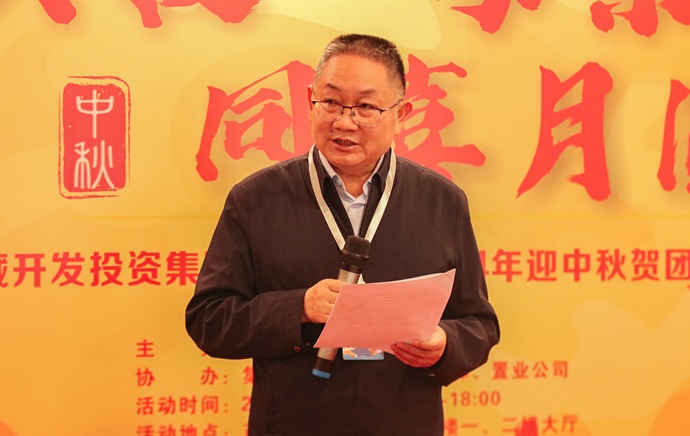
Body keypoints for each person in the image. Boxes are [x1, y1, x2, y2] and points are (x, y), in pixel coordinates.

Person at [186, 33, 500, 436]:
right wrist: (298, 308)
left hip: (403, 423)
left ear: (401, 114)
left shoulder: (442, 202)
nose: (344, 122)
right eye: (331, 102)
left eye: (366, 107)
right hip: (293, 424)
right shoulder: (256, 198)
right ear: (310, 102)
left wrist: (445, 343)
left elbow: (479, 324)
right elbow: (209, 320)